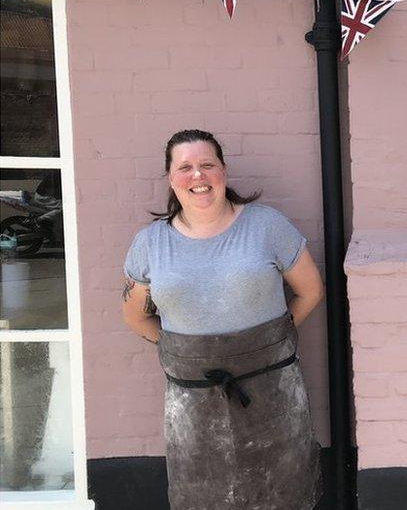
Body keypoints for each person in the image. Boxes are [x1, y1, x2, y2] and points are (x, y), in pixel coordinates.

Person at [121, 129, 325, 510]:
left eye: (207, 165)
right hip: (191, 405)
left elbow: (311, 291)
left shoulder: (267, 226)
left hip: (273, 395)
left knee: (284, 493)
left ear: (224, 172)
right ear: (170, 178)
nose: (197, 176)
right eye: (185, 167)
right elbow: (134, 316)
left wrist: (270, 341)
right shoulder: (151, 243)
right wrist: (182, 352)